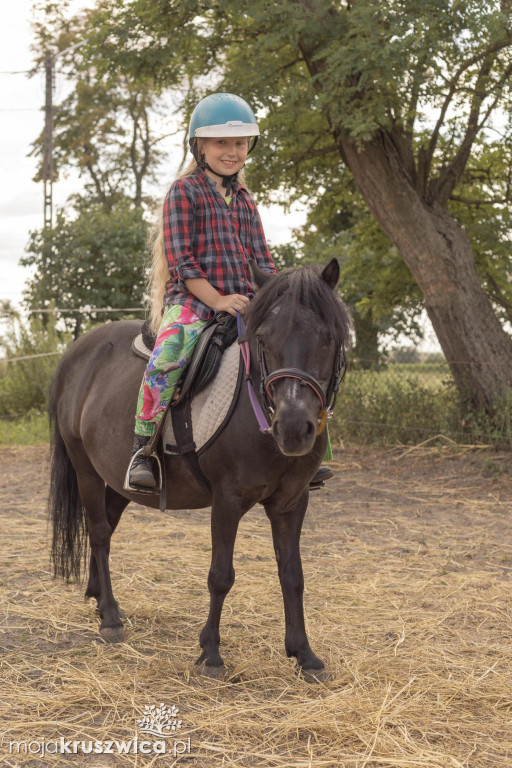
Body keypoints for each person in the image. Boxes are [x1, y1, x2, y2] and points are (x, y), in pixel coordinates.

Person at [128, 92, 333, 491]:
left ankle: (309, 450)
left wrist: (281, 298)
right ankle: (144, 449)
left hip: (246, 303)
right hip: (193, 303)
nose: (232, 151)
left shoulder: (245, 200)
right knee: (168, 357)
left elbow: (262, 260)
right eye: (222, 142)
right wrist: (218, 300)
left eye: (239, 143)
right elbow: (182, 261)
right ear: (199, 146)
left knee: (299, 352)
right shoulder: (183, 192)